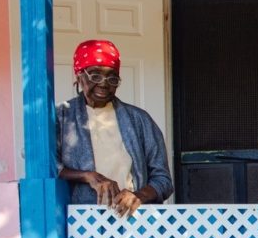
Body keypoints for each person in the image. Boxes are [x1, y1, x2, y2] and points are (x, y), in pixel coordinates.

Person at [56, 40, 173, 216]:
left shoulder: (139, 120)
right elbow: (47, 166)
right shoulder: (61, 117)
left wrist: (137, 196)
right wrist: (87, 176)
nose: (104, 84)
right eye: (95, 75)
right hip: (79, 223)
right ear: (79, 76)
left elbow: (163, 180)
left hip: (133, 223)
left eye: (112, 77)